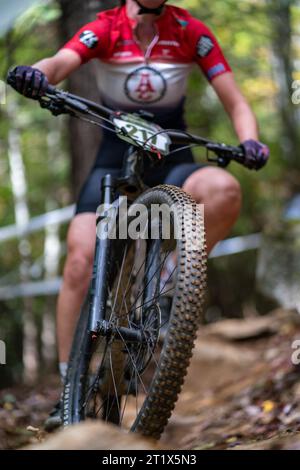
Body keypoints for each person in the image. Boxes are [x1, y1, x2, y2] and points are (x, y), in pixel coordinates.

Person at [8, 0, 269, 430]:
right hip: (115, 152)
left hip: (171, 151)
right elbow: (59, 61)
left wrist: (250, 140)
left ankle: (169, 282)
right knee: (79, 258)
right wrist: (38, 74)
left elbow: (236, 100)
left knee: (223, 190)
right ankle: (66, 385)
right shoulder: (106, 27)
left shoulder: (189, 30)